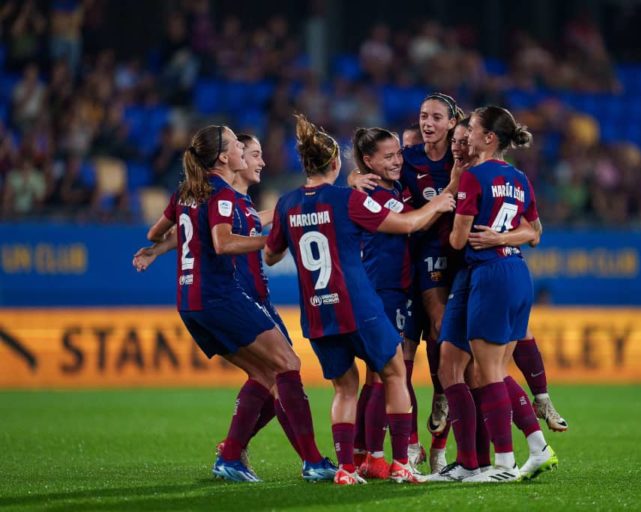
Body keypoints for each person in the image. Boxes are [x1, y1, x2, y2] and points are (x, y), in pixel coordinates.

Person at [133, 134, 336, 481]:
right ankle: (312, 462)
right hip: (227, 296)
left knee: (266, 374)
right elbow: (222, 241)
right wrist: (278, 237)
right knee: (285, 367)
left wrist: (158, 248)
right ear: (226, 158)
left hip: (193, 301)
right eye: (243, 149)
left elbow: (164, 231)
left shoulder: (200, 194)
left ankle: (231, 455)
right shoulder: (224, 196)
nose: (252, 157)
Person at [264, 114, 455, 485]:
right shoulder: (347, 199)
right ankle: (400, 461)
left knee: (345, 388)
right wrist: (442, 202)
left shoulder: (286, 204)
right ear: (337, 164)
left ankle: (346, 468)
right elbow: (407, 224)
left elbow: (270, 256)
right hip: (357, 304)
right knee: (394, 372)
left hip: (317, 312)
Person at [431, 117, 557, 483]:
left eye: (471, 129)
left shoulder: (474, 177)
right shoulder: (519, 178)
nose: (466, 135)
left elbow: (457, 241)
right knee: (453, 364)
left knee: (487, 372)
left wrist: (488, 235)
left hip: (487, 273)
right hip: (511, 272)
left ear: (487, 137)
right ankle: (478, 461)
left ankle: (504, 463)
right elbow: (533, 232)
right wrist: (505, 237)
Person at [350, 92, 464, 473]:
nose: (428, 123)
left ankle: (439, 434)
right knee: (401, 363)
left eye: (435, 117)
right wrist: (353, 177)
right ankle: (409, 447)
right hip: (402, 268)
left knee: (440, 333)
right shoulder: (407, 162)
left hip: (445, 258)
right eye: (423, 116)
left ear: (452, 123)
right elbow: (379, 185)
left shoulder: (462, 161)